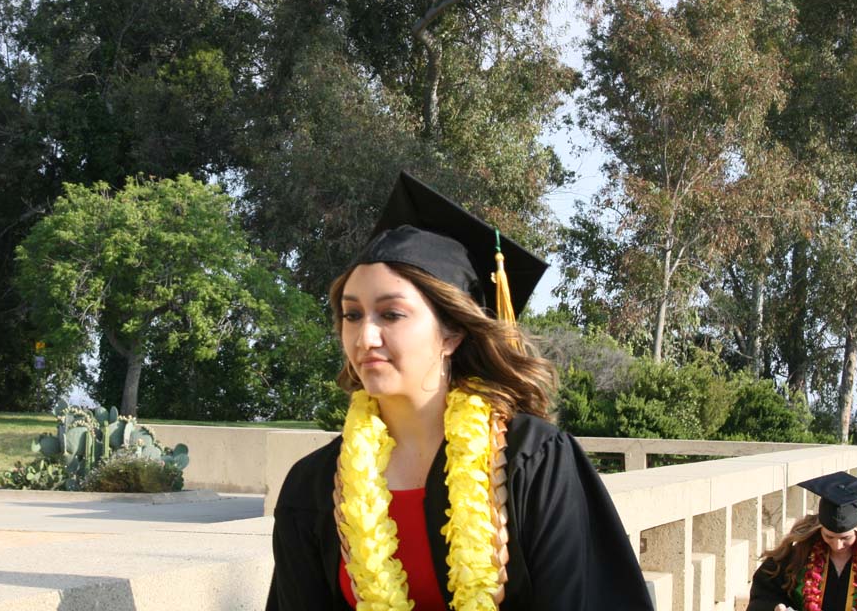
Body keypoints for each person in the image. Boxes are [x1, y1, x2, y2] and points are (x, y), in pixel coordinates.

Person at [266, 172, 654, 611]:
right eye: (352, 315)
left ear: (452, 334)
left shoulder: (532, 461)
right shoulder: (316, 484)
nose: (365, 337)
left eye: (391, 314)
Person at [747, 472, 857, 611]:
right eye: (829, 536)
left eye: (845, 538)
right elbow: (763, 596)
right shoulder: (796, 558)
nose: (837, 545)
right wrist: (776, 607)